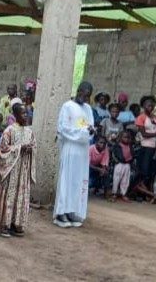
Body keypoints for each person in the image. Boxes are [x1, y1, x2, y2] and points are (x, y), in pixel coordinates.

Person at [0, 103, 36, 237]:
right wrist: (20, 148)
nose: (26, 116)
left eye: (27, 113)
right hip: (11, 170)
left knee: (21, 196)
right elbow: (1, 150)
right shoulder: (9, 130)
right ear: (15, 115)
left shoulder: (29, 131)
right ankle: (5, 224)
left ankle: (17, 223)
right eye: (23, 113)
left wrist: (31, 149)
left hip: (23, 170)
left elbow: (33, 145)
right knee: (10, 195)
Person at [53, 81, 95, 228]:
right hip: (71, 147)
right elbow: (63, 128)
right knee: (67, 180)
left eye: (89, 96)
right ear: (78, 91)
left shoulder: (88, 108)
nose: (86, 98)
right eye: (84, 94)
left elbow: (90, 125)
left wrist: (90, 131)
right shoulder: (67, 106)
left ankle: (72, 210)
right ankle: (61, 212)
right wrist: (82, 132)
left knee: (77, 181)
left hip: (83, 150)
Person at [134, 96, 156, 203]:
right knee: (143, 172)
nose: (150, 107)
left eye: (152, 105)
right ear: (143, 106)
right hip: (145, 147)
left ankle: (147, 194)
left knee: (151, 173)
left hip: (155, 148)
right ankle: (143, 193)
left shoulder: (155, 118)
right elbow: (144, 134)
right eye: (148, 105)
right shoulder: (141, 118)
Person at [110, 131, 134, 203]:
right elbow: (113, 154)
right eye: (125, 137)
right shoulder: (117, 145)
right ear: (120, 138)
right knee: (116, 178)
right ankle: (114, 193)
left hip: (127, 164)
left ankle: (123, 194)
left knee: (125, 180)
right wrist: (116, 161)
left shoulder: (130, 146)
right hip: (119, 164)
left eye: (128, 137)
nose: (126, 139)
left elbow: (132, 154)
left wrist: (131, 161)